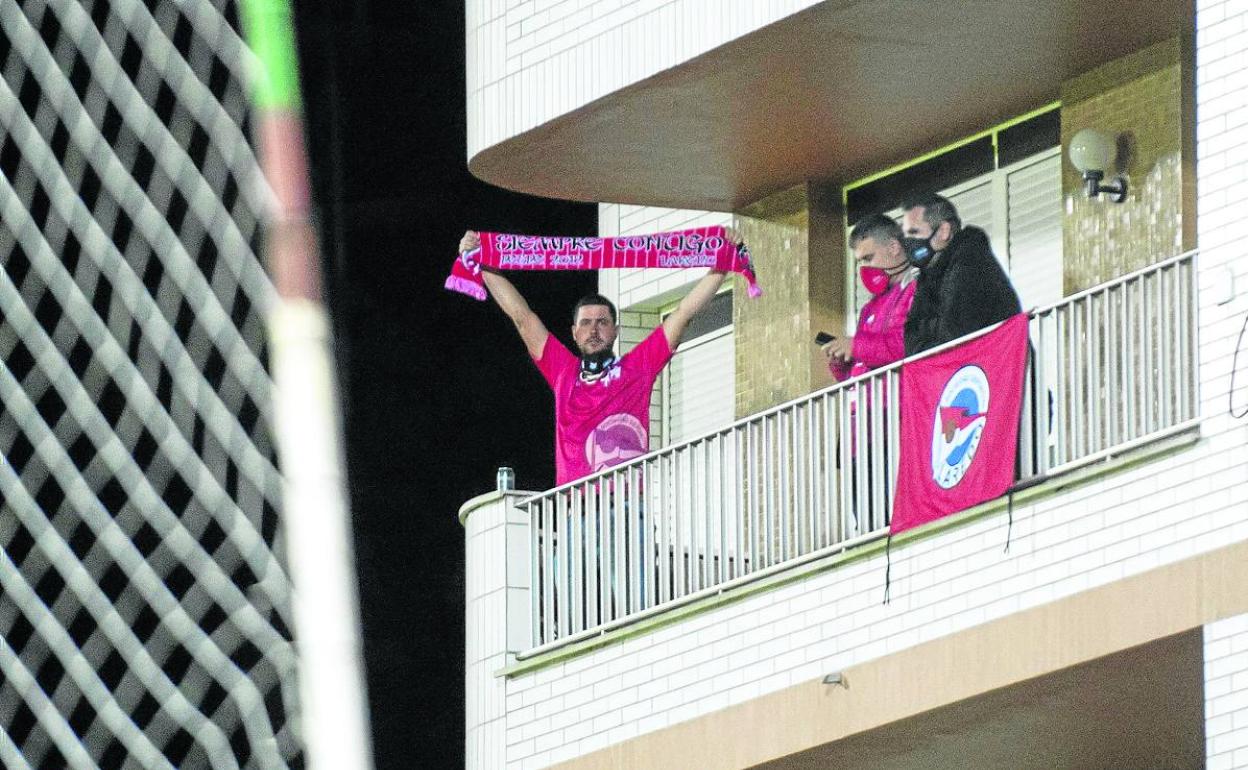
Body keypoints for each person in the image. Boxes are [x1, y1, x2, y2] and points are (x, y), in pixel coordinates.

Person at [457, 229, 737, 486]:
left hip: (628, 509)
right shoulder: (562, 371)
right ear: (574, 332)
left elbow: (683, 315)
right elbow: (522, 318)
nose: (593, 330)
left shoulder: (637, 368)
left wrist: (724, 264)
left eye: (602, 322)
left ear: (616, 331)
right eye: (586, 323)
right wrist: (482, 262)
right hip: (576, 512)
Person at [900, 193, 1021, 356]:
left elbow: (956, 331)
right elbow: (909, 341)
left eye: (914, 232)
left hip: (996, 368)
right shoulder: (927, 275)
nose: (907, 243)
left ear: (943, 231)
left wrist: (925, 327)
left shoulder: (972, 260)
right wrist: (934, 327)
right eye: (905, 236)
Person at [824, 214, 917, 381]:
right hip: (865, 404)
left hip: (900, 402)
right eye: (860, 262)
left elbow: (912, 345)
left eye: (868, 258)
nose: (864, 268)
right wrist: (841, 362)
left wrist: (856, 346)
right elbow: (857, 373)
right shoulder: (869, 308)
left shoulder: (919, 288)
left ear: (894, 247)